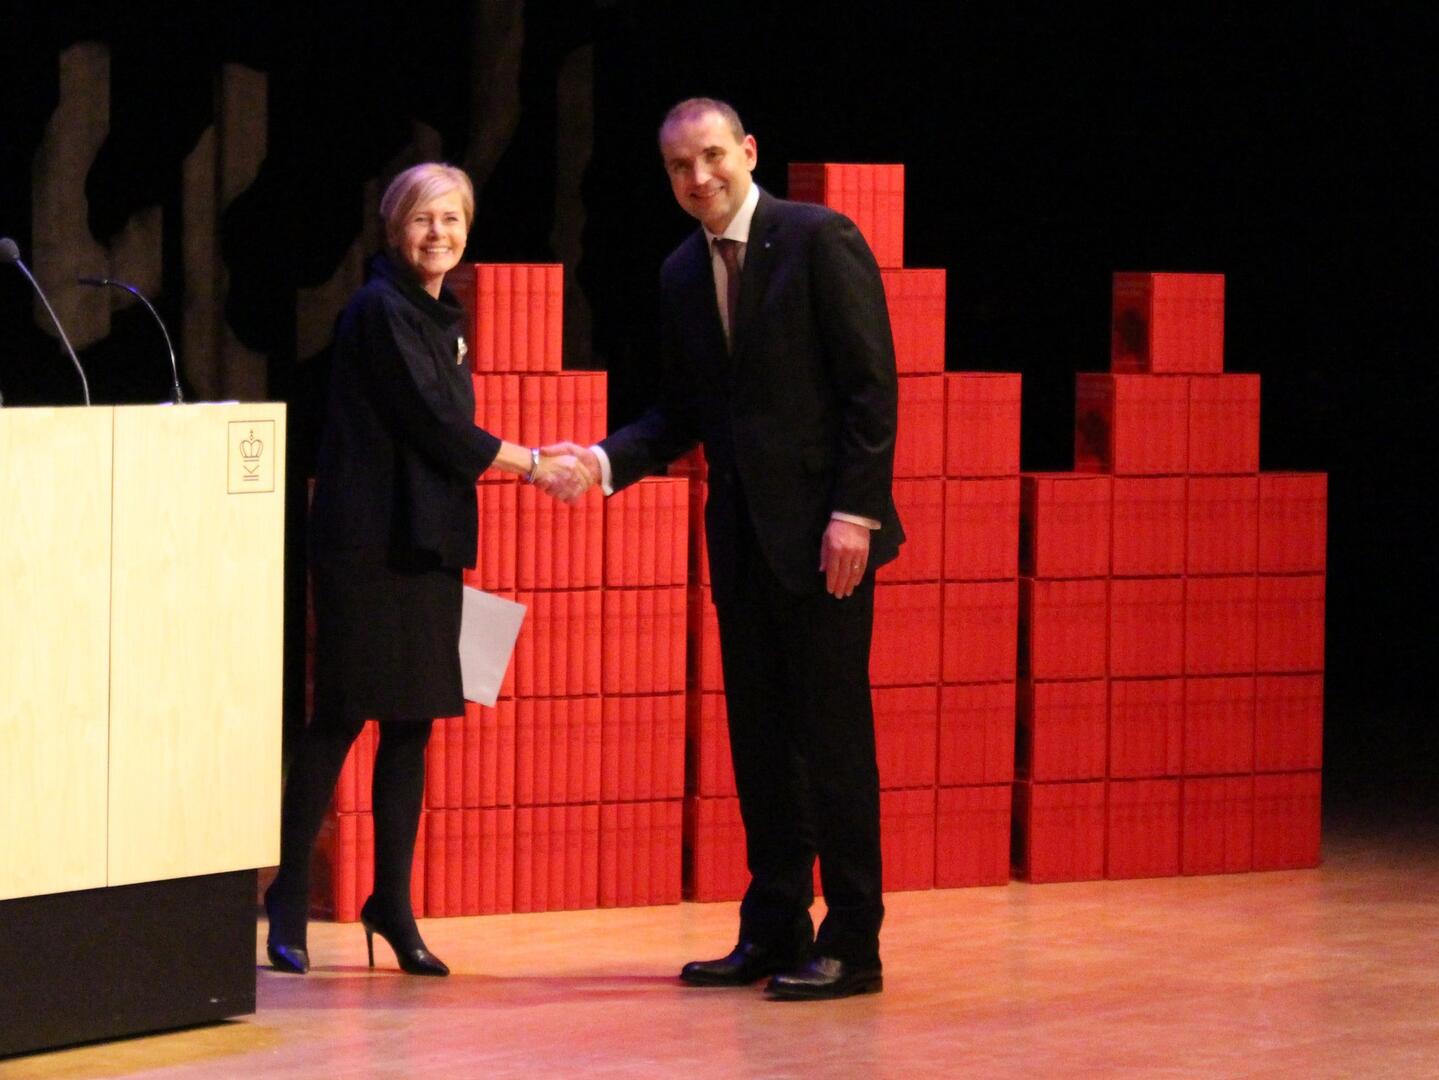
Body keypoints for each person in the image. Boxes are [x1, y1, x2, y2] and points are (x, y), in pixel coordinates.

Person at [548, 98, 903, 1000]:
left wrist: (854, 515)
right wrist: (600, 461)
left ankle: (853, 941)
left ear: (747, 150)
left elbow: (869, 388)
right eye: (679, 167)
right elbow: (683, 411)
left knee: (831, 742)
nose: (697, 177)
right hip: (743, 545)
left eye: (711, 156)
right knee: (761, 745)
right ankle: (774, 927)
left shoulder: (818, 238)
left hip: (826, 542)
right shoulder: (680, 270)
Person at [263, 162, 586, 976]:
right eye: (421, 219)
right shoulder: (379, 309)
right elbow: (434, 425)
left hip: (426, 544)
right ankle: (288, 897)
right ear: (392, 229)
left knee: (412, 725)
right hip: (366, 546)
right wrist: (532, 462)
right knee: (340, 718)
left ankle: (393, 905)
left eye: (450, 219)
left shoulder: (443, 314)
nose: (437, 234)